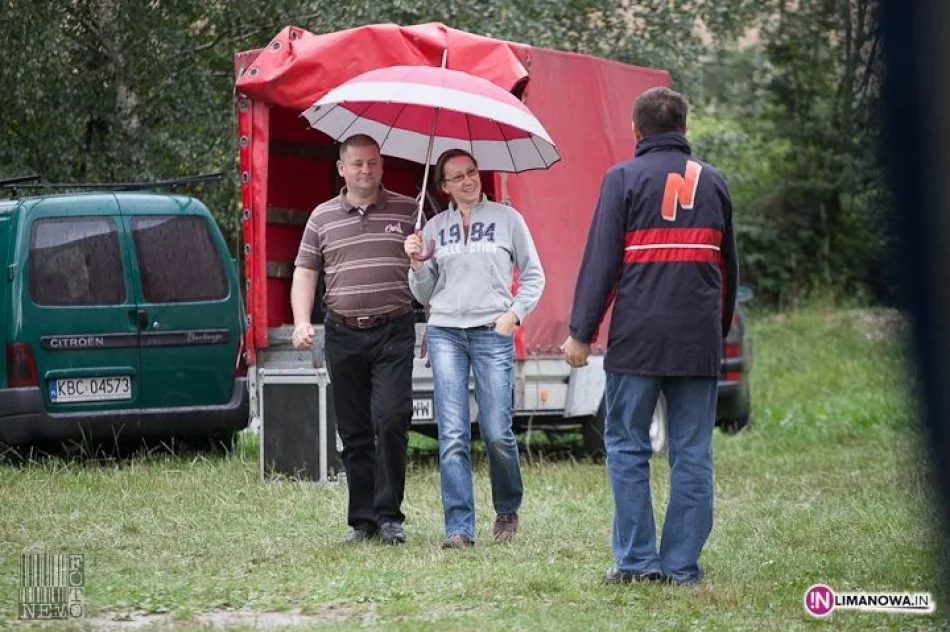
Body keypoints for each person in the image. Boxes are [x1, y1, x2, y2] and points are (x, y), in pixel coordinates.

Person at [561, 87, 739, 586]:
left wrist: (581, 333)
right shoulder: (715, 183)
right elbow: (728, 271)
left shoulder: (622, 179)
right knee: (692, 453)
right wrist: (714, 336)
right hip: (696, 344)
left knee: (626, 446)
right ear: (684, 128)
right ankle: (681, 566)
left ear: (636, 131)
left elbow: (601, 263)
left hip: (637, 341)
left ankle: (637, 564)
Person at [404, 149, 545, 549]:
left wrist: (515, 313)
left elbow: (534, 274)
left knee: (498, 432)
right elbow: (425, 292)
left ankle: (506, 506)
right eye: (458, 176)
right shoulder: (433, 228)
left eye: (472, 172)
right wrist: (415, 263)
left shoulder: (507, 219)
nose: (468, 180)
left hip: (491, 331)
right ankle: (459, 528)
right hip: (446, 331)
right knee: (452, 433)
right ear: (444, 186)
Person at [291, 134, 418, 545]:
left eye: (374, 163)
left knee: (393, 417)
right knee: (355, 430)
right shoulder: (321, 217)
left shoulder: (409, 210)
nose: (367, 170)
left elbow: (431, 274)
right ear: (341, 169)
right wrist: (299, 321)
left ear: (382, 166)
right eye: (358, 164)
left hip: (394, 329)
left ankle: (390, 516)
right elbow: (306, 272)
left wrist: (421, 254)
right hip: (343, 332)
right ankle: (362, 521)